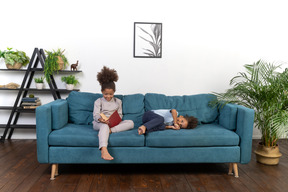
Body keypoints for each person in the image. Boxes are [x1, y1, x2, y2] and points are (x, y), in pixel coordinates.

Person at [92, 66, 134, 160]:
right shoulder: (98, 101)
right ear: (102, 91)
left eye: (111, 94)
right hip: (100, 123)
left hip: (113, 124)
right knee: (104, 126)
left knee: (131, 123)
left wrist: (114, 121)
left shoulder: (118, 101)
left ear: (114, 92)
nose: (108, 96)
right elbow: (95, 115)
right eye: (106, 94)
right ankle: (104, 150)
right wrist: (100, 119)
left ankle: (109, 131)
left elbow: (120, 115)